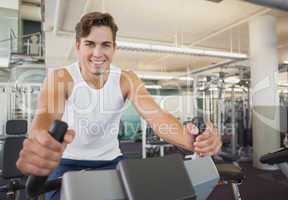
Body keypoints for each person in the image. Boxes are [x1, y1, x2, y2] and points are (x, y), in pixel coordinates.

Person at [16, 12, 222, 200]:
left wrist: (195, 142)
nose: (98, 53)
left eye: (105, 45)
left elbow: (157, 116)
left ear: (114, 48)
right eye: (90, 44)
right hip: (66, 162)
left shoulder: (126, 79)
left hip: (111, 160)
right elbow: (45, 114)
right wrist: (38, 143)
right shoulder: (61, 77)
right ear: (78, 46)